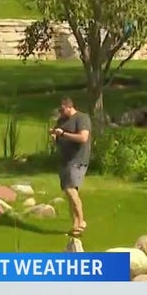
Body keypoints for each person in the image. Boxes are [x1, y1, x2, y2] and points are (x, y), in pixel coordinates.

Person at [51, 97, 91, 236]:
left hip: (78, 159)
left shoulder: (81, 118)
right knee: (69, 193)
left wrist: (64, 134)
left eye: (62, 110)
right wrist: (55, 137)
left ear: (69, 107)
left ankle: (81, 221)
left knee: (71, 190)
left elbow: (83, 138)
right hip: (64, 160)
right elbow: (59, 139)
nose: (61, 113)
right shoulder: (61, 121)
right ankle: (75, 225)